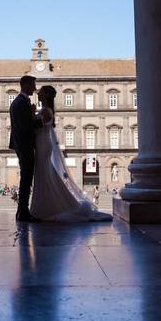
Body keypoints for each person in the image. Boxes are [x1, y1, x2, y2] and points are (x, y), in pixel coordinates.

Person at [29, 85, 112, 222]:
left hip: (43, 145)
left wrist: (31, 114)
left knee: (44, 174)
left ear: (47, 95)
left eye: (41, 92)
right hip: (41, 144)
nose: (38, 94)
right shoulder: (45, 110)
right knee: (45, 175)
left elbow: (36, 125)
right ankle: (46, 207)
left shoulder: (46, 111)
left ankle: (46, 208)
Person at [10, 75, 43, 222]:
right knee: (26, 179)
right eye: (33, 85)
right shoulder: (21, 103)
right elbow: (26, 126)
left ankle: (21, 211)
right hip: (25, 145)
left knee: (26, 178)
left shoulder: (19, 102)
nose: (35, 89)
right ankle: (23, 213)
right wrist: (41, 121)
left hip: (22, 144)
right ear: (25, 85)